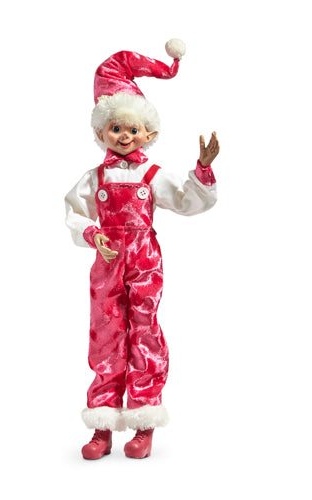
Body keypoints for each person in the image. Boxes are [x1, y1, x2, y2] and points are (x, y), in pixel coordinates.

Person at [65, 39, 220, 459]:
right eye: (116, 128)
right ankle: (103, 425)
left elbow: (188, 200)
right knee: (105, 336)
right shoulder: (94, 177)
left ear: (148, 134)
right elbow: (73, 210)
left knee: (144, 332)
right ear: (101, 132)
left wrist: (203, 170)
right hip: (107, 264)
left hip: (144, 261)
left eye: (132, 130)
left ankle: (144, 423)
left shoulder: (152, 174)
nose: (124, 136)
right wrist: (92, 234)